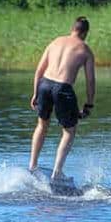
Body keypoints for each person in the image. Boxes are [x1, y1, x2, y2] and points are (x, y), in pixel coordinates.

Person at [29, 16, 96, 181]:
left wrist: (35, 93)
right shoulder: (85, 50)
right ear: (85, 33)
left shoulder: (56, 42)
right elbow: (90, 80)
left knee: (42, 125)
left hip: (44, 84)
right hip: (62, 88)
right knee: (69, 131)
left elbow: (39, 69)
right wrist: (89, 104)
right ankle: (57, 173)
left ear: (72, 29)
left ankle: (32, 165)